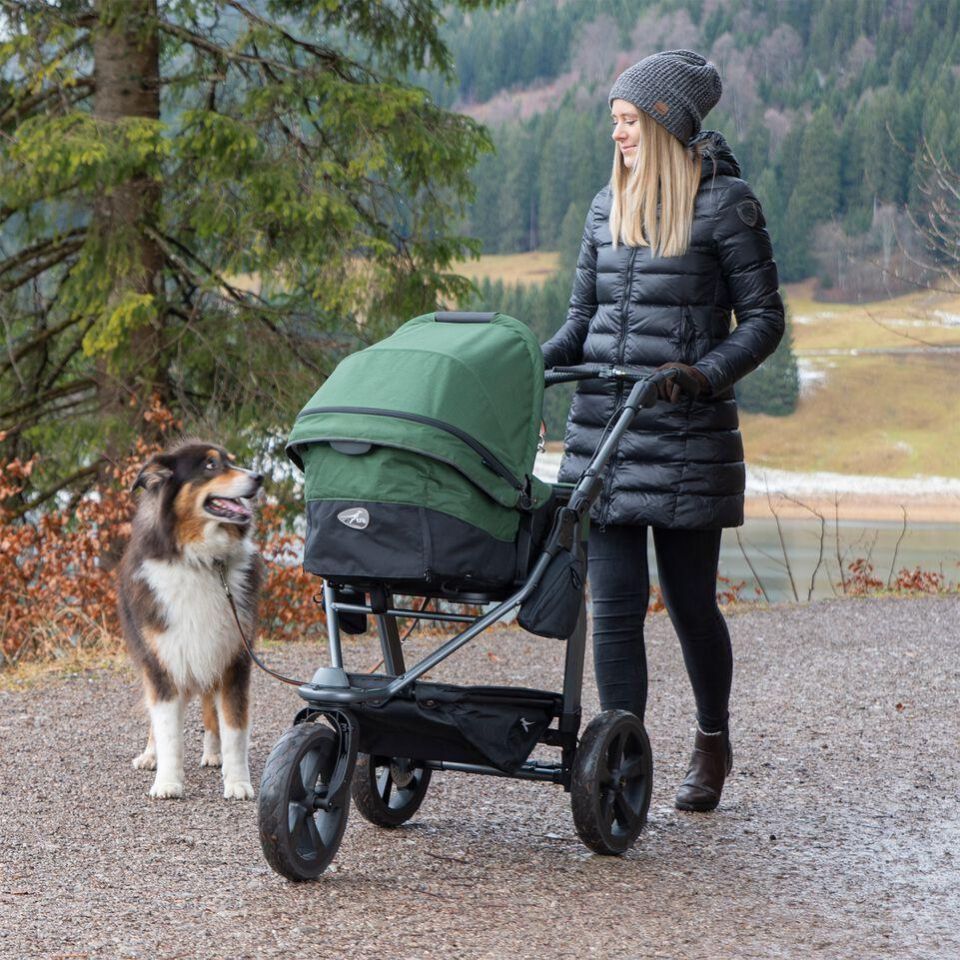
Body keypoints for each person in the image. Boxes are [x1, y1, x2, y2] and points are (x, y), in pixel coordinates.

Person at [541, 49, 785, 812]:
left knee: (688, 605)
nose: (616, 134)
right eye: (613, 121)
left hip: (685, 441)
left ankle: (712, 738)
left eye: (626, 121)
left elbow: (766, 322)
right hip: (605, 440)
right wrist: (523, 362)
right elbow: (580, 325)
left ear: (665, 122)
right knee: (611, 611)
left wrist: (703, 376)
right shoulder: (601, 209)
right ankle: (623, 765)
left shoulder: (727, 205)